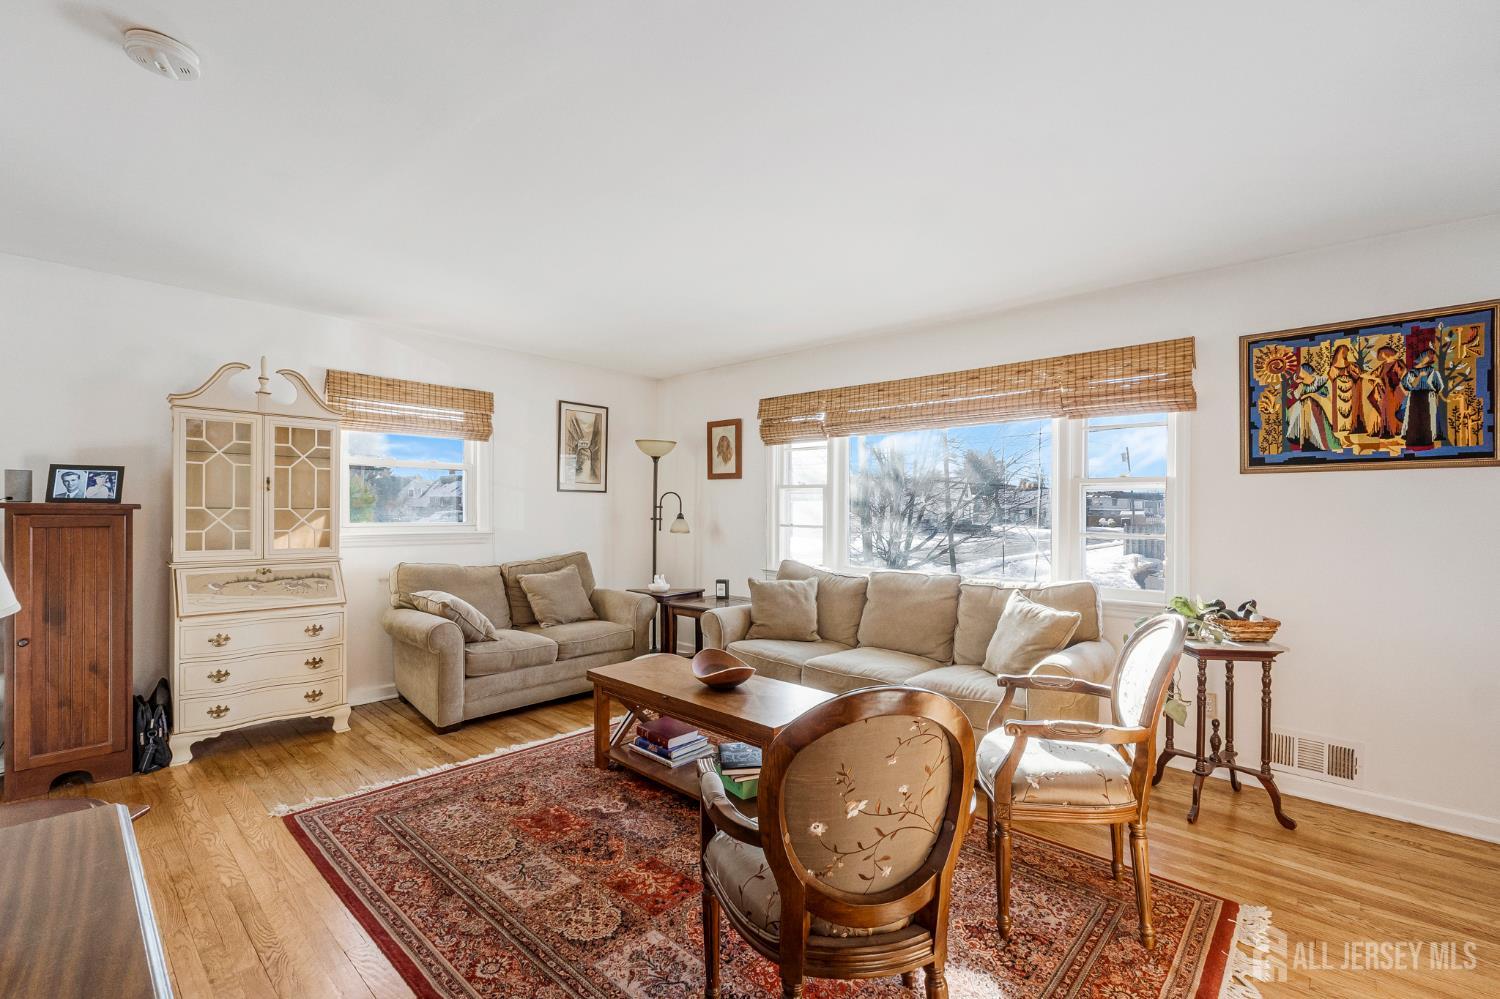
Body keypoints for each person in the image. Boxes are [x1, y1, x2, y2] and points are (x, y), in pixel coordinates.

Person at [1400, 349, 1445, 450]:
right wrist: (1419, 376)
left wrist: (1435, 394)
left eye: (1431, 357)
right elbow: (1411, 385)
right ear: (1422, 356)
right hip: (1415, 398)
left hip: (1427, 397)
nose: (1429, 358)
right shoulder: (1412, 371)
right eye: (1427, 356)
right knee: (1414, 420)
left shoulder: (1431, 370)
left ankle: (1427, 442)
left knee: (1427, 420)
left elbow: (1438, 385)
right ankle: (1413, 442)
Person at [1285, 363, 1334, 451]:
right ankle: (1303, 438)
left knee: (1307, 403)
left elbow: (1326, 397)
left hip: (1319, 411)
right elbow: (1296, 396)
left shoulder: (1319, 381)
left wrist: (1311, 395)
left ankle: (1317, 441)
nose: (1299, 373)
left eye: (1301, 371)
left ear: (1305, 372)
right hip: (1303, 413)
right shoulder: (1302, 385)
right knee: (1300, 406)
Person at [1364, 344, 1407, 439]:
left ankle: (1395, 429)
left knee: (1393, 409)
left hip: (1394, 389)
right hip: (1383, 389)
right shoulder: (1383, 365)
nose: (1382, 356)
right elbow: (1374, 375)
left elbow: (1402, 374)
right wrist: (1377, 380)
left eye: (1382, 353)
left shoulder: (1398, 363)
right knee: (1384, 408)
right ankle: (1387, 430)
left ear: (1387, 353)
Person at [1326, 342, 1367, 439]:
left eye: (1346, 352)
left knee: (1352, 410)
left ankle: (1351, 427)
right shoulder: (1333, 367)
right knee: (1339, 410)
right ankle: (1340, 428)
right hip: (1338, 393)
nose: (1345, 354)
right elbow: (1332, 377)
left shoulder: (1351, 365)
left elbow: (1358, 375)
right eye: (1343, 352)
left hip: (1351, 391)